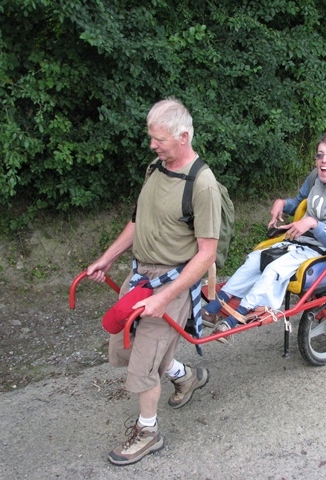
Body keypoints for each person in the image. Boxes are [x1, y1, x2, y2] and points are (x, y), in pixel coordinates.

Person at [86, 98, 221, 465]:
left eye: (158, 139)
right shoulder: (155, 169)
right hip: (139, 276)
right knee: (124, 344)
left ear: (184, 136)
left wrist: (166, 298)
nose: (152, 145)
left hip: (172, 284)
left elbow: (207, 253)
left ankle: (148, 432)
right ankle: (185, 374)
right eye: (151, 138)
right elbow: (137, 222)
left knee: (143, 360)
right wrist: (107, 258)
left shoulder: (203, 185)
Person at [204, 132, 326, 341]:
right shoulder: (316, 176)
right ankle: (215, 308)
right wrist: (283, 203)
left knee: (273, 270)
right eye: (319, 155)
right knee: (255, 259)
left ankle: (235, 319)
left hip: (324, 251)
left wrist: (312, 223)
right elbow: (300, 202)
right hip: (300, 241)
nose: (323, 160)